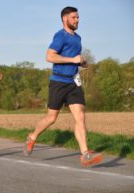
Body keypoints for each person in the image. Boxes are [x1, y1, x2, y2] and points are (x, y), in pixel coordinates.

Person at [23, 6, 103, 166]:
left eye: (78, 17)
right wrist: (72, 60)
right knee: (51, 118)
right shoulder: (60, 36)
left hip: (73, 82)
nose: (77, 20)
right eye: (74, 17)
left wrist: (81, 62)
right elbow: (49, 56)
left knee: (80, 116)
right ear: (64, 19)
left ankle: (85, 154)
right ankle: (32, 136)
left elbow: (73, 57)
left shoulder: (78, 38)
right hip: (58, 82)